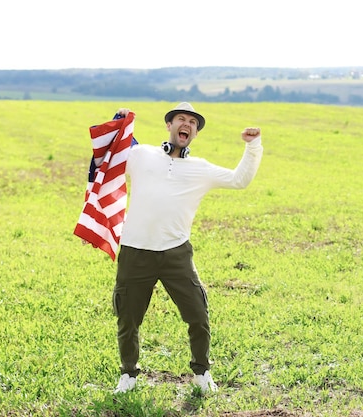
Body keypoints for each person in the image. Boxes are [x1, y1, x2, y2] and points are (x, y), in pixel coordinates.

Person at [111, 102, 263, 394]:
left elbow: (239, 180)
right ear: (169, 125)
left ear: (194, 133)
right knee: (128, 318)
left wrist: (253, 145)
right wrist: (119, 123)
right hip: (135, 250)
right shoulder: (141, 155)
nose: (187, 124)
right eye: (181, 119)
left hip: (176, 253)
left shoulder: (200, 169)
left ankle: (202, 372)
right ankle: (128, 374)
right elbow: (112, 154)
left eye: (193, 123)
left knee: (198, 314)